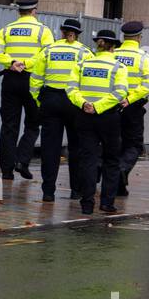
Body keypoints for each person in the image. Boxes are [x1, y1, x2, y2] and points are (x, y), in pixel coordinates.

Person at [0, 0, 54, 182]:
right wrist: (26, 64)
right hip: (32, 80)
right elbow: (47, 55)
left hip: (10, 79)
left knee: (9, 125)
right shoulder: (43, 30)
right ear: (34, 11)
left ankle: (6, 171)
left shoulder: (6, 30)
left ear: (19, 11)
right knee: (33, 123)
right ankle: (22, 160)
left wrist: (12, 63)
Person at [66, 29, 128, 215]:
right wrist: (99, 106)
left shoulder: (82, 64)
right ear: (113, 47)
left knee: (88, 160)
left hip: (84, 116)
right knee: (111, 160)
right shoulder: (118, 67)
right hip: (108, 117)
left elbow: (70, 89)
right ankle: (107, 203)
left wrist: (85, 104)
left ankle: (87, 203)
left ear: (98, 45)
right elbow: (120, 93)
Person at [29, 18, 91, 202]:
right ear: (78, 34)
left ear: (62, 32)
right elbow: (87, 82)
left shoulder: (48, 50)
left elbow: (35, 80)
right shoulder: (84, 52)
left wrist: (39, 101)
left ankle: (48, 192)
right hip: (74, 102)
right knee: (76, 147)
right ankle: (76, 190)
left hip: (51, 100)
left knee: (50, 148)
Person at [112, 21, 149, 196]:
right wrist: (129, 100)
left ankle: (118, 186)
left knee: (116, 143)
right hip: (132, 106)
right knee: (134, 145)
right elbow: (147, 85)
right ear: (139, 37)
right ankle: (122, 170)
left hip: (111, 104)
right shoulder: (144, 57)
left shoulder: (113, 53)